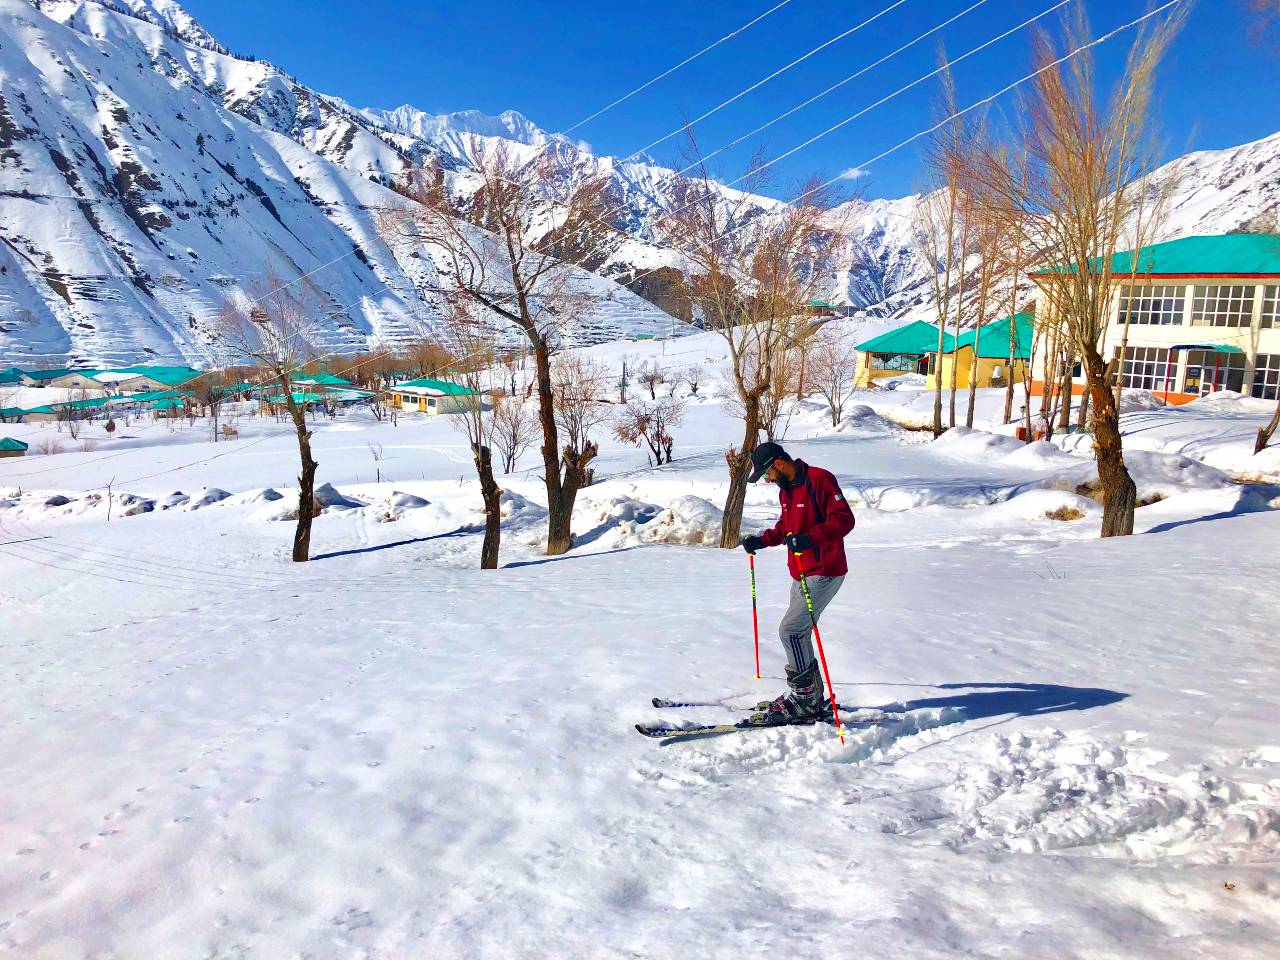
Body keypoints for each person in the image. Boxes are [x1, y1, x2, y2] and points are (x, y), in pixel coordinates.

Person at [740, 441, 855, 722]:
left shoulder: (819, 479)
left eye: (767, 474)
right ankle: (810, 697)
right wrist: (762, 540)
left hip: (825, 570)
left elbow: (844, 520)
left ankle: (805, 701)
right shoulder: (787, 491)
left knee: (790, 630)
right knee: (798, 632)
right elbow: (786, 528)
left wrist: (810, 538)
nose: (767, 480)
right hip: (800, 571)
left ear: (778, 464)